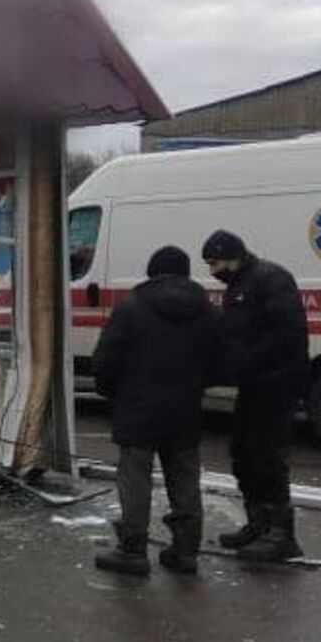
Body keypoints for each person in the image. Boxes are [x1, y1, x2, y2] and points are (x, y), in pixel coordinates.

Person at [90, 246, 219, 575]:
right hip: (185, 410)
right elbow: (222, 361)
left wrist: (111, 392)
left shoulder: (131, 307)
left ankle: (132, 551)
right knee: (185, 478)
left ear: (151, 271)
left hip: (138, 407)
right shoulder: (206, 310)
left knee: (135, 478)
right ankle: (186, 551)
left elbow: (106, 359)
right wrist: (196, 386)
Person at [202, 229, 312, 563]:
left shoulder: (271, 279)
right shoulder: (239, 284)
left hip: (276, 383)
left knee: (267, 455)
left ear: (233, 256)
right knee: (244, 452)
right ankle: (258, 524)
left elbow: (284, 335)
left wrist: (245, 363)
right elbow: (235, 334)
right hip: (254, 383)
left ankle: (281, 535)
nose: (212, 271)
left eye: (215, 262)